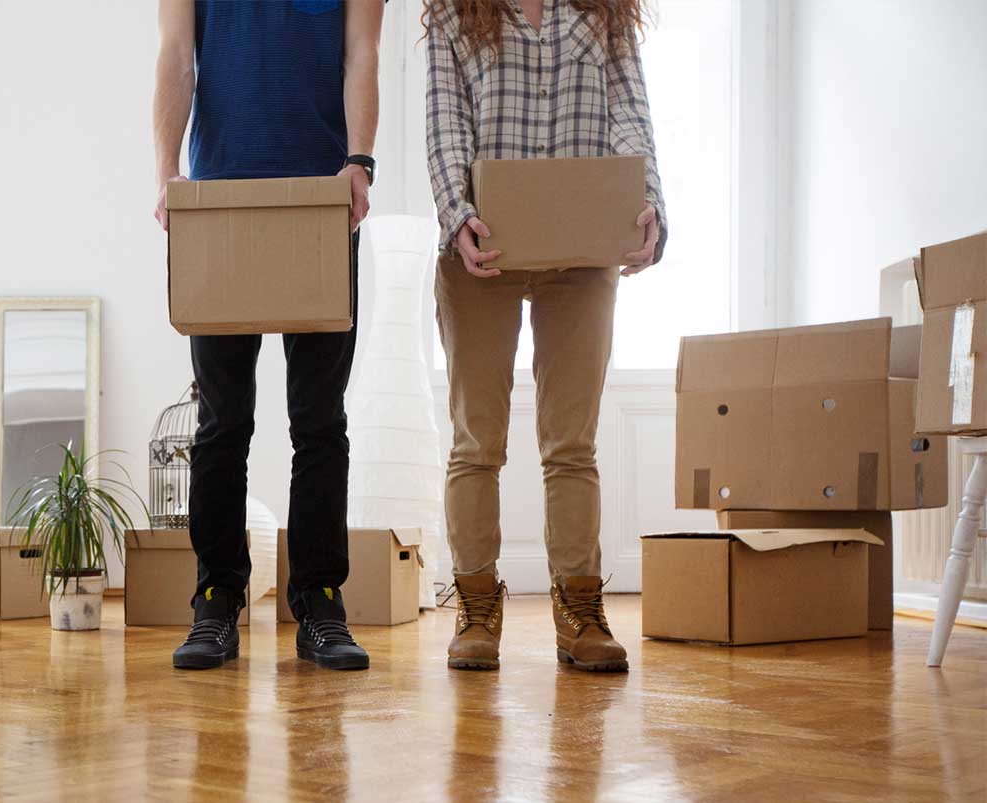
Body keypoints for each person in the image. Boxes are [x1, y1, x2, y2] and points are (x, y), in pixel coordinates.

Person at [425, 0, 666, 672]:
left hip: (582, 253)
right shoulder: (453, 12)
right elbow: (445, 124)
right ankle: (475, 606)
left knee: (572, 442)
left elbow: (631, 112)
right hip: (483, 251)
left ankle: (580, 609)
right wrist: (458, 214)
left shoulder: (602, 12)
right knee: (478, 439)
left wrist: (648, 208)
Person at [153, 0, 384, 671]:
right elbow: (176, 52)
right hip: (221, 202)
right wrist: (168, 169)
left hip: (322, 201)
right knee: (221, 420)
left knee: (319, 419)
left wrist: (360, 161)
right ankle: (217, 596)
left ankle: (320, 600)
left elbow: (361, 50)